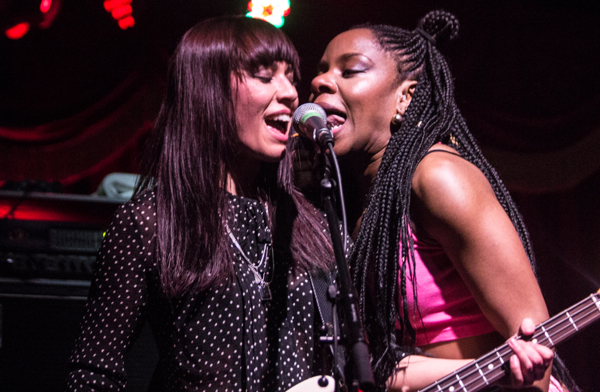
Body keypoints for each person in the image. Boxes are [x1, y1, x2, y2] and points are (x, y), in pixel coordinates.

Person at [305, 9, 578, 392]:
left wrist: (413, 375)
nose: (319, 81)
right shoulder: (377, 202)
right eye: (321, 71)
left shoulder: (436, 177)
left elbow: (535, 350)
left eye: (350, 71)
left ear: (406, 97)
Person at [66, 16, 337, 392]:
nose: (291, 92)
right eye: (265, 76)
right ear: (207, 90)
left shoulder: (309, 220)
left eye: (290, 76)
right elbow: (94, 371)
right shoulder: (150, 222)